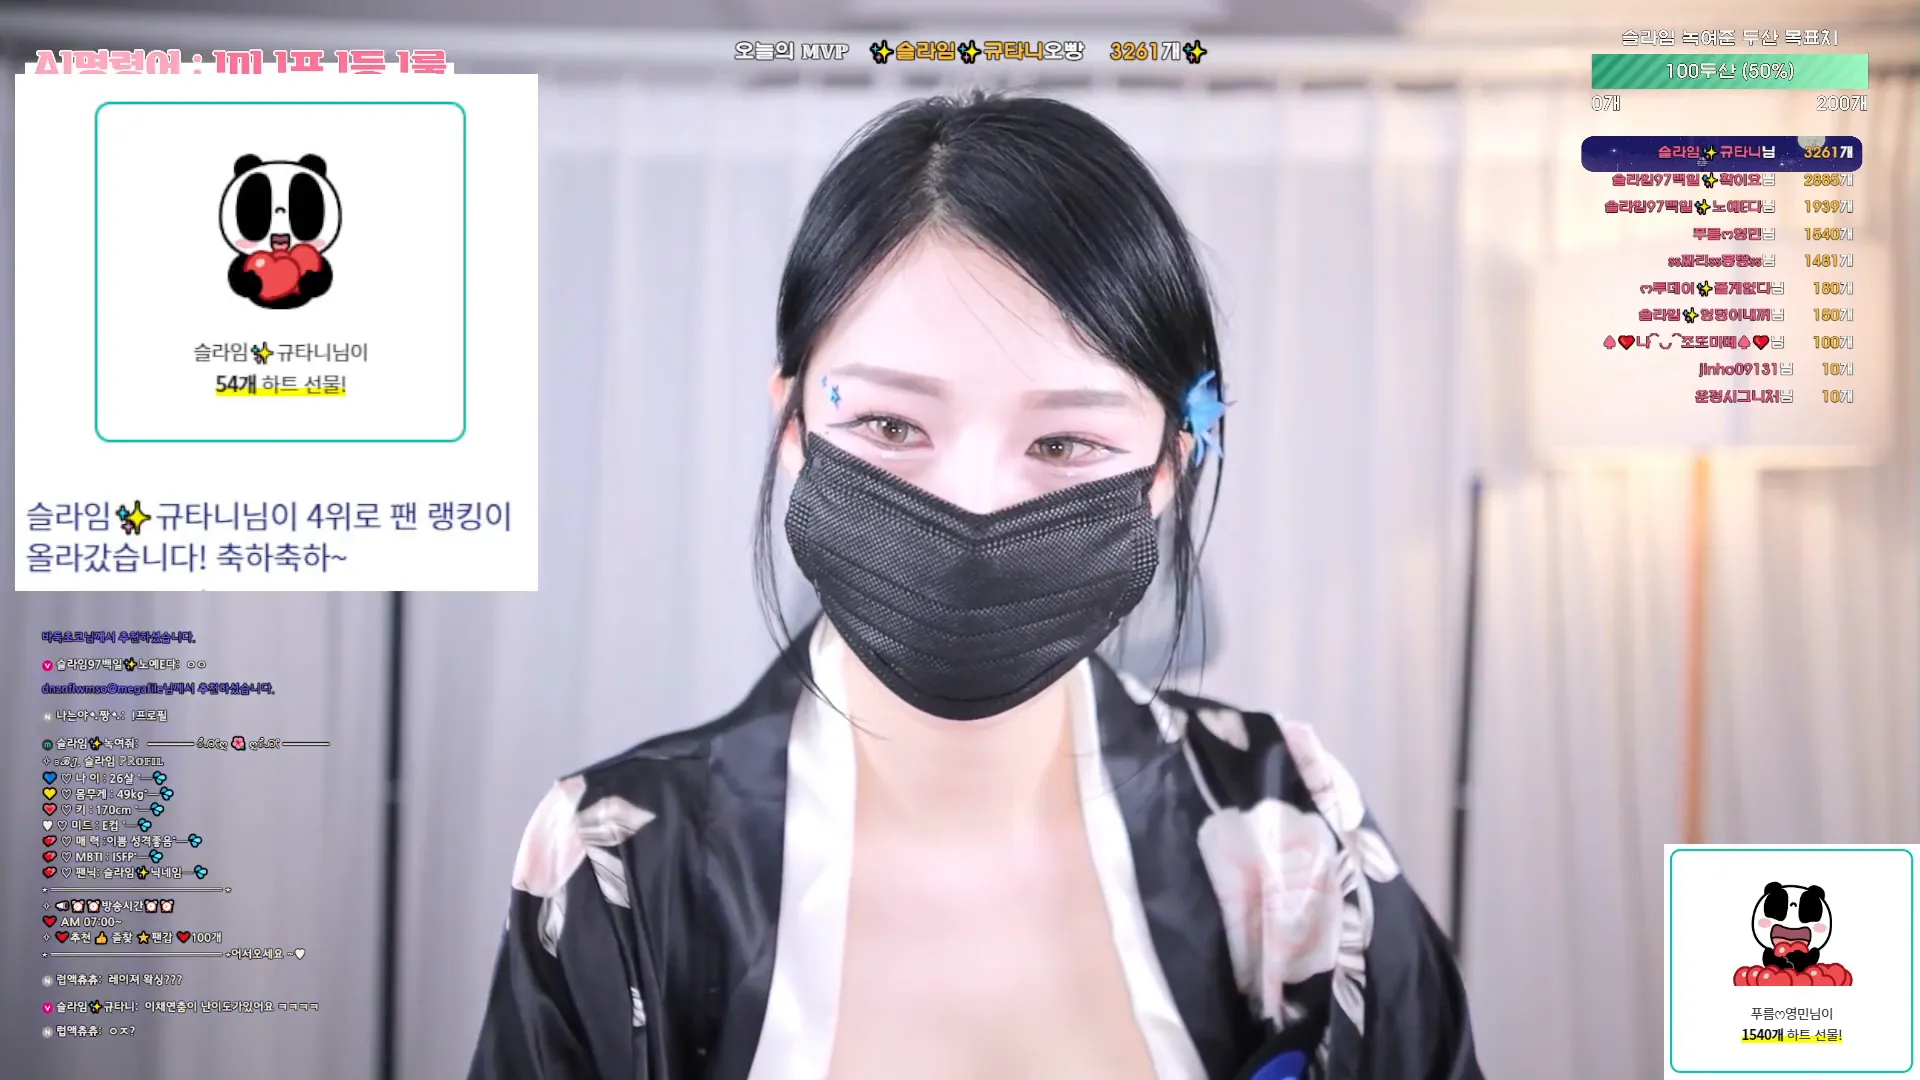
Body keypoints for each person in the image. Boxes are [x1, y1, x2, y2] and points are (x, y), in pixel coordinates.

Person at [468, 90, 1480, 1080]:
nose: (975, 509)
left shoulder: (1290, 829)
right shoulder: (617, 861)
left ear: (1167, 470)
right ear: (792, 427)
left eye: (1064, 442)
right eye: (891, 425)